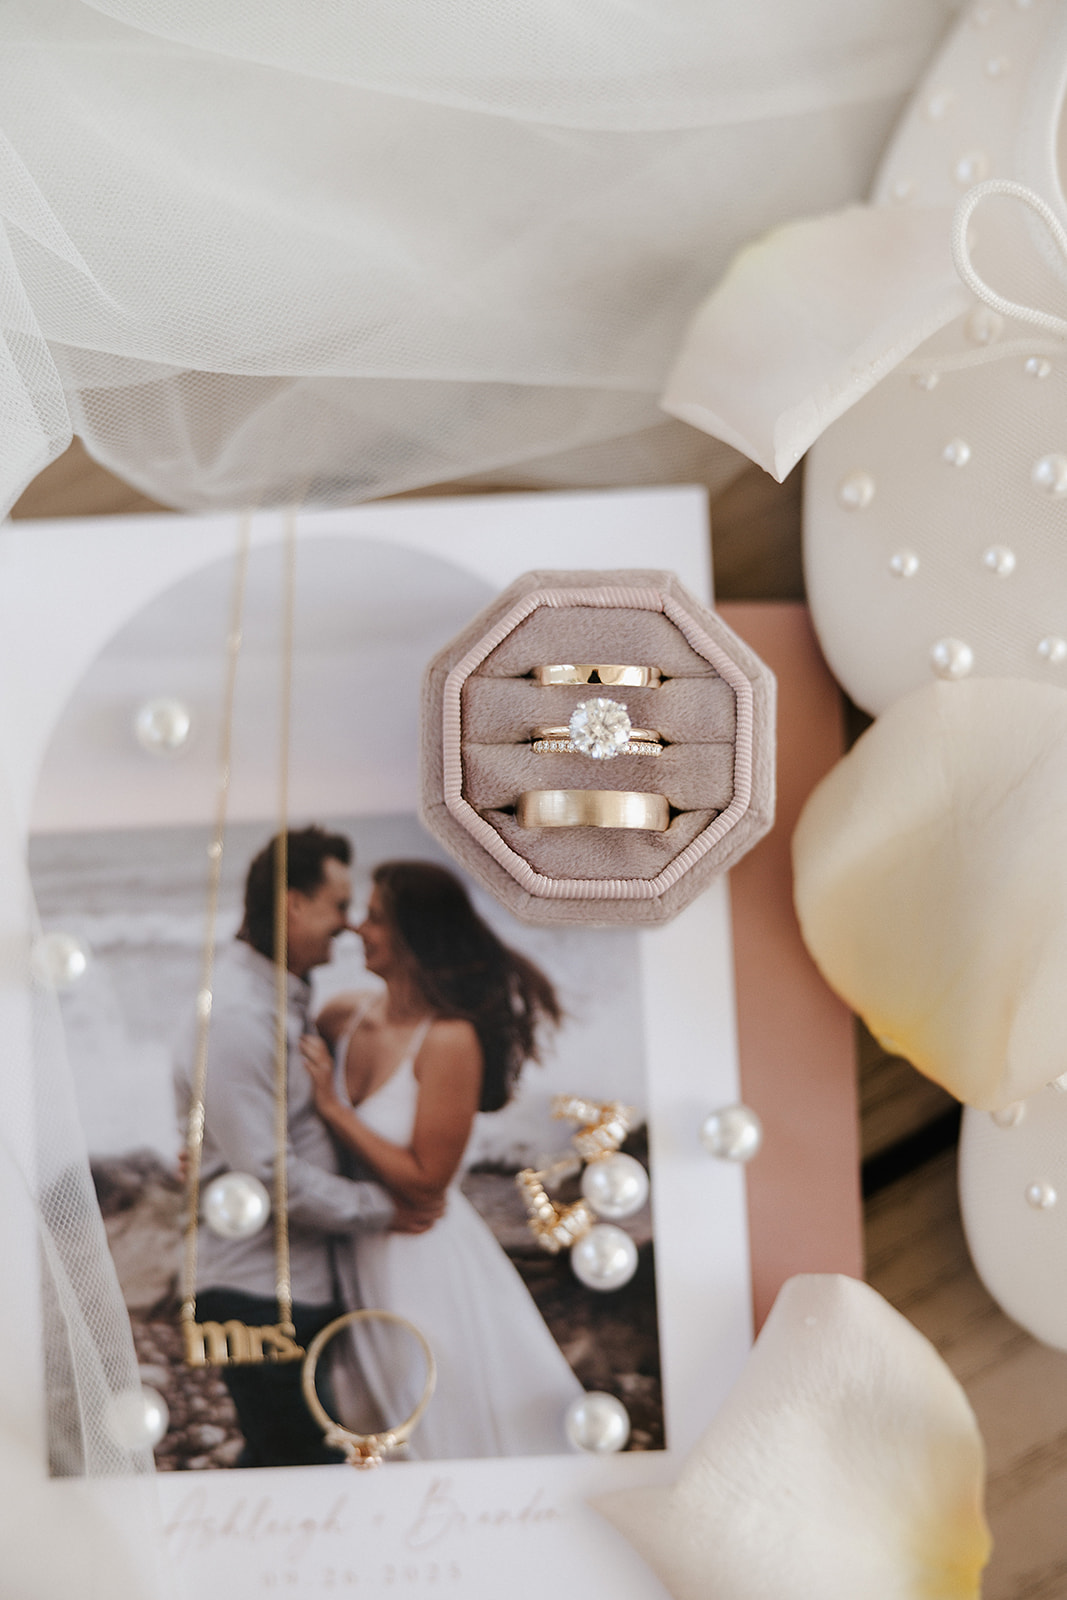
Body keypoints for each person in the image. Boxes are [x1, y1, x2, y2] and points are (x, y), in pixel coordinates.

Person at [173, 826, 440, 1469]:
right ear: (293, 904)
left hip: (293, 1283)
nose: (348, 927)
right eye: (338, 906)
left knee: (285, 1460)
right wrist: (380, 1208)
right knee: (299, 1465)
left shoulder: (281, 1001)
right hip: (254, 1288)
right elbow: (267, 1170)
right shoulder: (239, 1014)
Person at [300, 858, 585, 1460]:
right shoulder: (342, 1016)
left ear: (412, 934)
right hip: (357, 1248)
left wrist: (337, 1109)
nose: (357, 929)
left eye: (375, 918)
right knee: (372, 1424)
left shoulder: (450, 1039)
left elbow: (428, 1184)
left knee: (444, 1424)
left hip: (424, 1259)